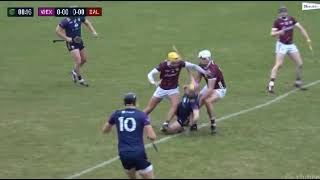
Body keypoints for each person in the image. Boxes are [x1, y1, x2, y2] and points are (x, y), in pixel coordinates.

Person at [144, 51, 208, 126]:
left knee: (175, 105)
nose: (176, 64)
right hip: (161, 89)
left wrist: (204, 72)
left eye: (176, 62)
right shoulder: (163, 65)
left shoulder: (180, 63)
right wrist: (153, 82)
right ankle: (138, 119)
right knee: (150, 107)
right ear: (169, 60)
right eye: (174, 62)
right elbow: (150, 74)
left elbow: (194, 66)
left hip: (173, 89)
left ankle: (166, 123)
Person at [102, 93, 157, 179]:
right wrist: (149, 136)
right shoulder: (142, 115)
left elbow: (105, 130)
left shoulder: (116, 114)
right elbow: (153, 136)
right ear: (135, 103)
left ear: (124, 103)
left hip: (123, 153)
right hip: (138, 152)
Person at [267, 6, 312, 93]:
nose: (284, 13)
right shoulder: (277, 22)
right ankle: (271, 85)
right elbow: (272, 34)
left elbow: (301, 28)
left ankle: (297, 83)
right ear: (279, 13)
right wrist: (279, 32)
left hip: (291, 45)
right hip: (282, 45)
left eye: (285, 11)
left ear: (287, 12)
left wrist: (307, 38)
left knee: (300, 63)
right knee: (279, 65)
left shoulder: (291, 19)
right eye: (282, 12)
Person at [55, 16, 98, 87]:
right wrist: (66, 38)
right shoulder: (65, 21)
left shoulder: (79, 17)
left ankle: (74, 71)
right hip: (71, 43)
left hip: (79, 41)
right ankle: (80, 79)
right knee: (78, 61)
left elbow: (87, 23)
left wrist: (93, 32)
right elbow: (57, 31)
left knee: (84, 60)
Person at [196, 50, 227, 135]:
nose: (200, 60)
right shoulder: (201, 65)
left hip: (219, 89)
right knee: (196, 100)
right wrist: (191, 87)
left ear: (207, 59)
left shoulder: (212, 70)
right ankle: (190, 120)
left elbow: (210, 89)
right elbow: (198, 79)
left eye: (202, 58)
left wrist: (202, 97)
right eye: (200, 58)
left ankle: (213, 123)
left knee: (207, 101)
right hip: (209, 85)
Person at [161, 70, 200, 134]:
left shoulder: (194, 102)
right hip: (179, 109)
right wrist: (189, 71)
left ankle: (182, 127)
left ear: (192, 93)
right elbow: (192, 81)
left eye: (188, 91)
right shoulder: (190, 91)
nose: (186, 91)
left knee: (168, 131)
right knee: (175, 105)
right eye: (187, 90)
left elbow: (196, 115)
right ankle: (167, 122)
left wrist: (193, 123)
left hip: (182, 118)